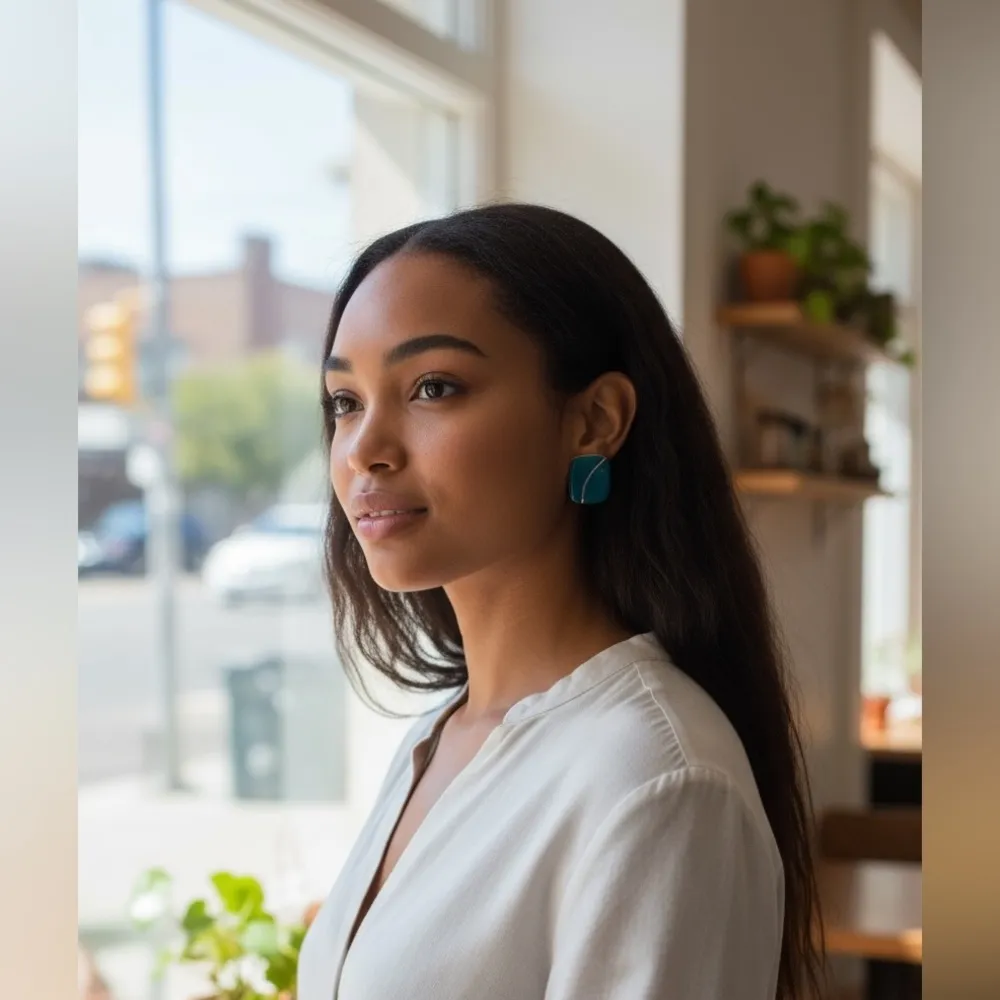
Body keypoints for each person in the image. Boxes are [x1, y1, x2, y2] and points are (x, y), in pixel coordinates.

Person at [297, 203, 822, 1000]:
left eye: (432, 387)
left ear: (593, 421)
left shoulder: (654, 777)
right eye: (345, 401)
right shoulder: (439, 737)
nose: (364, 448)